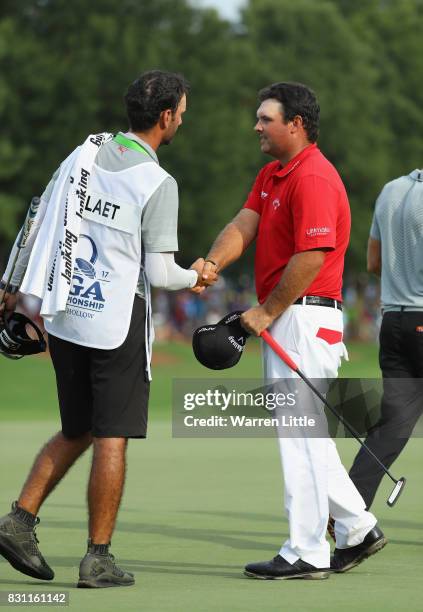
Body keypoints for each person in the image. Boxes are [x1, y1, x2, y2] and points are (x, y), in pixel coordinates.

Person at [0, 70, 216, 588]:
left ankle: (18, 521)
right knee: (111, 438)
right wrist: (199, 276)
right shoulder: (158, 183)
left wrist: (11, 288)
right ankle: (98, 558)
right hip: (117, 322)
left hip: (67, 316)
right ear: (165, 117)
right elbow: (162, 273)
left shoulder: (84, 153)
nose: (182, 118)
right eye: (181, 112)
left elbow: (38, 217)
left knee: (77, 429)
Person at [196, 82, 386, 579]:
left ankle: (306, 552)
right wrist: (213, 261)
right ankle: (358, 529)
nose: (256, 126)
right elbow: (244, 224)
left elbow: (312, 255)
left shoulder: (315, 177)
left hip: (303, 315)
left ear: (295, 124)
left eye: (266, 118)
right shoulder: (272, 175)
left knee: (299, 437)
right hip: (293, 316)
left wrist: (265, 311)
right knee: (309, 436)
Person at [348, 169, 423, 509]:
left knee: (392, 426)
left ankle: (349, 513)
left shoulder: (390, 189)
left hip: (393, 322)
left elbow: (374, 262)